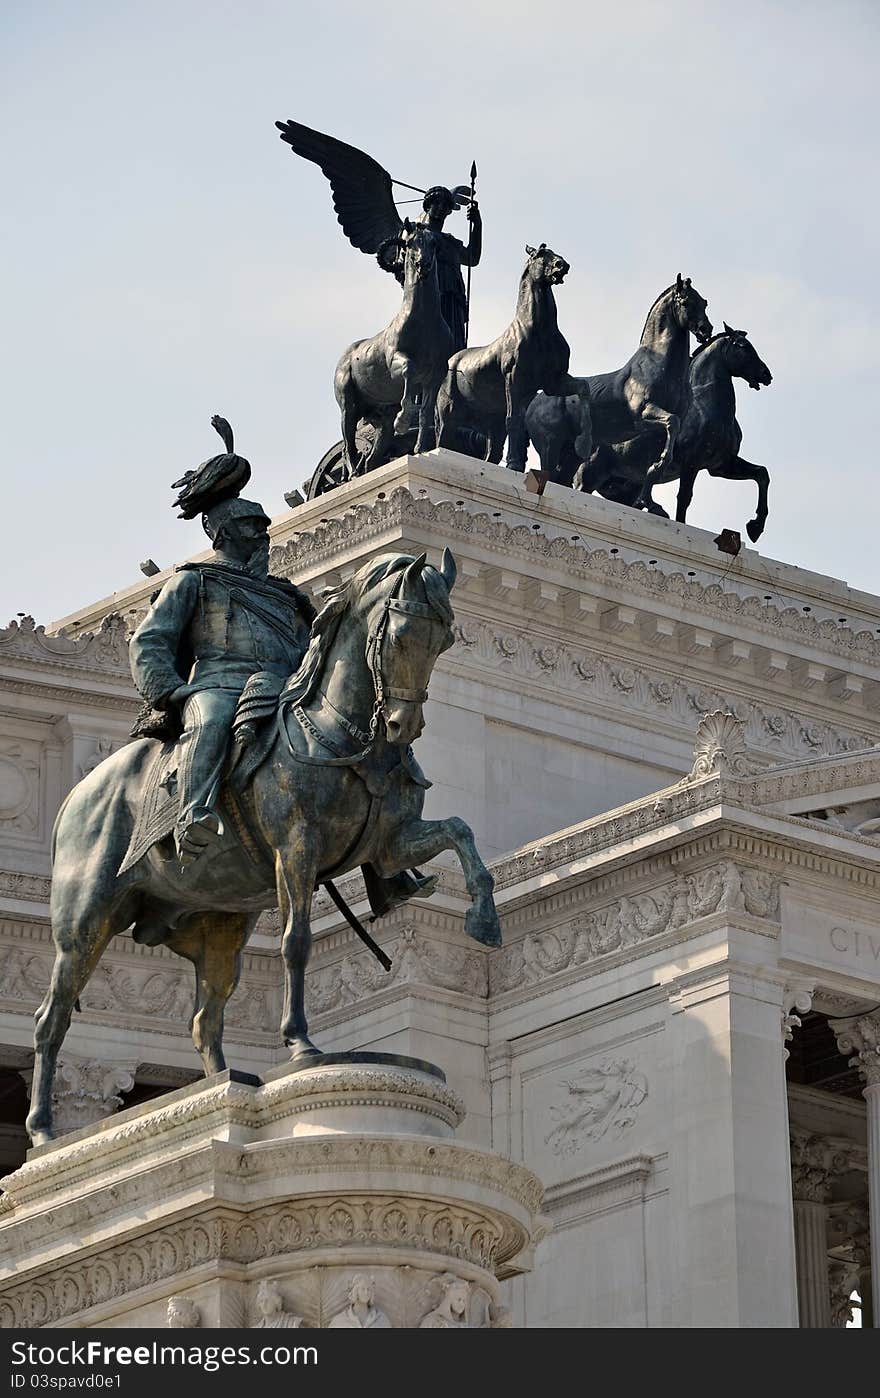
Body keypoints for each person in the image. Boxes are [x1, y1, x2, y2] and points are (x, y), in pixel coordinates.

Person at [129, 495, 315, 866]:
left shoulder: (285, 595)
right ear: (225, 532)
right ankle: (193, 816)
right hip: (220, 685)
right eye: (252, 525)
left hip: (282, 687)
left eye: (264, 525)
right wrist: (171, 691)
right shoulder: (194, 581)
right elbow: (150, 640)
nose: (263, 533)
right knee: (212, 720)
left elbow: (308, 646)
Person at [417, 187, 481, 352]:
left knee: (455, 344)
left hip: (453, 298)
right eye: (436, 203)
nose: (441, 208)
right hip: (431, 294)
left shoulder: (450, 242)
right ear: (427, 207)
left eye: (446, 205)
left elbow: (472, 258)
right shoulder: (418, 235)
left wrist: (477, 225)